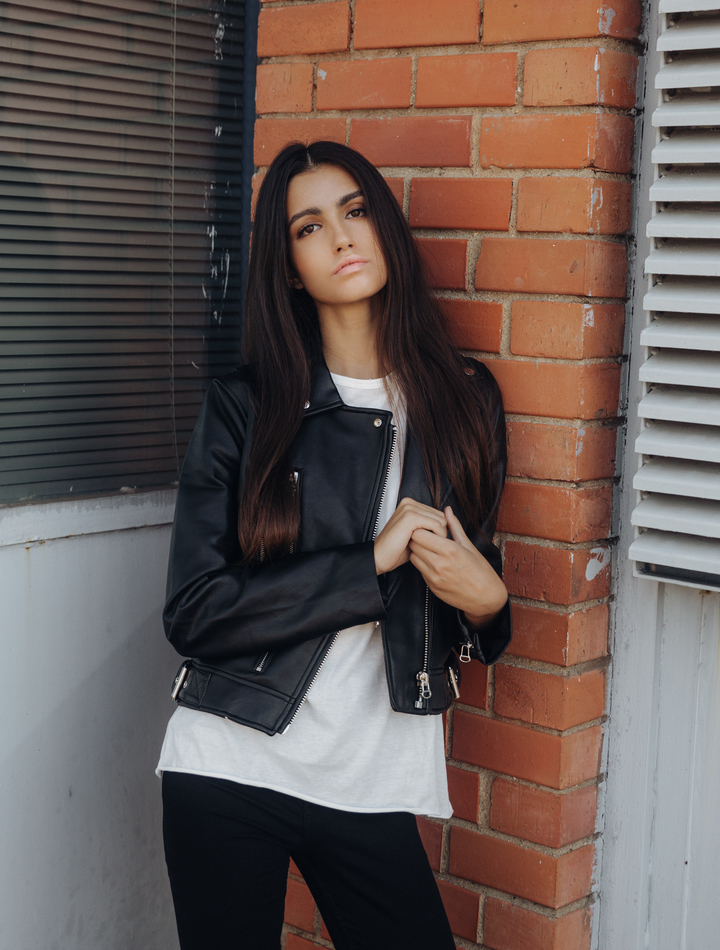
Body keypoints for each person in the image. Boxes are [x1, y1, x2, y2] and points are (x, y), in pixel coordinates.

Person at [157, 140, 512, 950]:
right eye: (309, 227)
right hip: (230, 760)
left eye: (355, 211)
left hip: (371, 778)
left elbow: (470, 581)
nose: (342, 237)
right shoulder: (246, 407)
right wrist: (370, 561)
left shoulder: (466, 401)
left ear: (384, 225)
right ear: (289, 268)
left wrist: (492, 605)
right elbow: (194, 611)